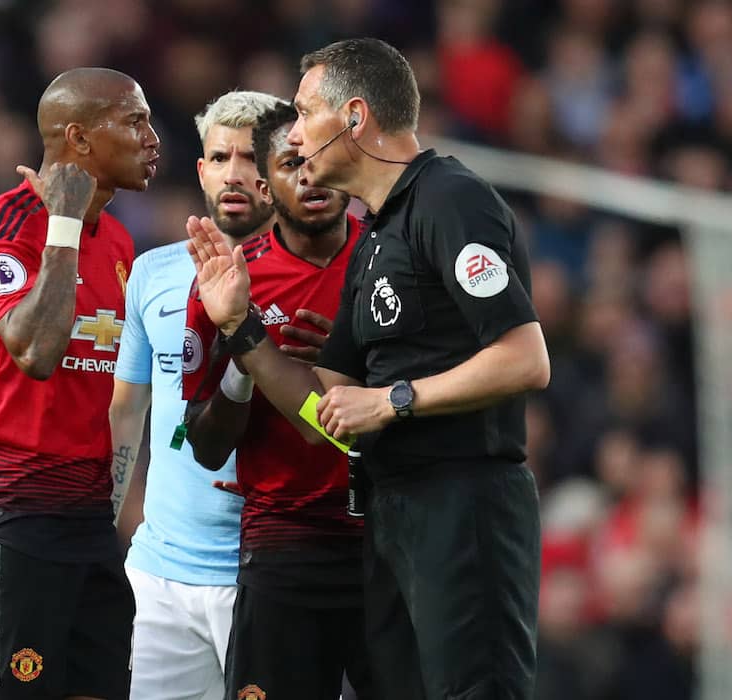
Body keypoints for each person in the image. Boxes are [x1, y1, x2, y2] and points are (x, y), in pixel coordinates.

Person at [184, 38, 549, 699]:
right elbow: (323, 413)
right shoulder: (376, 238)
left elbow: (524, 357)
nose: (294, 133)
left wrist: (393, 400)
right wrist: (241, 328)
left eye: (304, 112)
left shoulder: (450, 200)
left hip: (465, 504)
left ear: (354, 117)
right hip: (391, 516)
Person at [0, 67, 159, 700]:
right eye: (134, 121)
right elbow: (35, 351)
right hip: (7, 516)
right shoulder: (5, 226)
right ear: (79, 138)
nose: (152, 138)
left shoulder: (119, 242)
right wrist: (61, 225)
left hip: (86, 522)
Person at [180, 99, 375, 700]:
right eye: (293, 164)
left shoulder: (393, 257)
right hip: (284, 545)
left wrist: (356, 358)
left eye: (322, 159)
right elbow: (205, 447)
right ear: (266, 185)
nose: (312, 177)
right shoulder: (228, 283)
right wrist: (247, 366)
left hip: (390, 537)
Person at [106, 89, 280, 700]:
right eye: (220, 157)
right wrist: (102, 528)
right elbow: (127, 410)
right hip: (158, 575)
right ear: (202, 170)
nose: (234, 173)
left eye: (251, 157)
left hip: (269, 572)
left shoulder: (313, 277)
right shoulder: (152, 273)